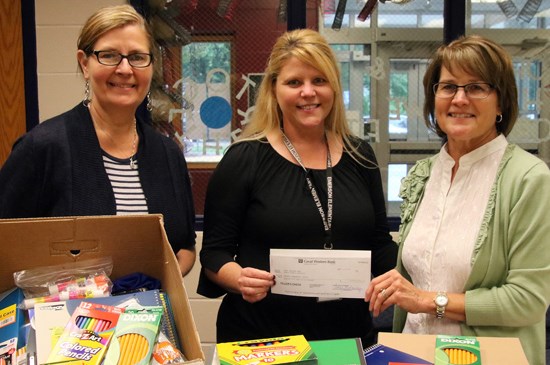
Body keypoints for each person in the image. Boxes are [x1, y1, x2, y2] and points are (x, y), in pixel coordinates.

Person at [198, 28, 398, 346]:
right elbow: (214, 254)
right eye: (294, 82)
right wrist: (238, 278)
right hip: (261, 339)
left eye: (319, 80)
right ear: (274, 89)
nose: (308, 92)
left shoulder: (361, 155)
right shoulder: (245, 158)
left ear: (333, 87)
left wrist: (406, 276)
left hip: (347, 337)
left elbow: (379, 242)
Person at [365, 35, 550, 365]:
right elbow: (417, 278)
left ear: (501, 102)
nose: (460, 99)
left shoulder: (529, 179)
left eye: (477, 87)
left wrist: (428, 300)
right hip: (411, 354)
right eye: (448, 87)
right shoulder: (424, 174)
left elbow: (528, 300)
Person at [0, 5, 196, 276]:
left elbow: (184, 245)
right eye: (110, 56)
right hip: (63, 316)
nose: (125, 69)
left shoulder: (167, 154)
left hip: (153, 315)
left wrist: (160, 278)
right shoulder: (42, 148)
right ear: (84, 62)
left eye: (138, 57)